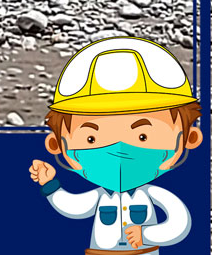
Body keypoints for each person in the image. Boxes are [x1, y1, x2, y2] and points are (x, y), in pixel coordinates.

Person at [30, 38, 203, 253]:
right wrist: (49, 184)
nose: (119, 148)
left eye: (142, 137)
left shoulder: (154, 194)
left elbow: (179, 224)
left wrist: (147, 235)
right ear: (56, 144)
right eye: (91, 140)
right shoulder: (100, 196)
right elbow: (73, 206)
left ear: (189, 139)